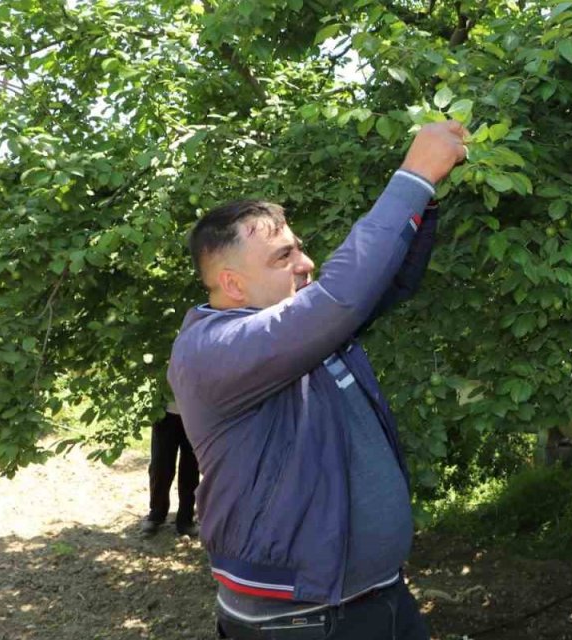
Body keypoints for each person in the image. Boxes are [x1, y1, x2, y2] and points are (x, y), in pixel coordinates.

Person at [167, 121, 468, 639]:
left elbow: (385, 281)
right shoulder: (212, 350)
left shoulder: (305, 331)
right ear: (233, 283)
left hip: (379, 598)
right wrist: (414, 176)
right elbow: (340, 297)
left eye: (298, 247)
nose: (306, 263)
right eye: (283, 257)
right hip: (299, 621)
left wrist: (424, 201)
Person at [139, 402, 199, 537]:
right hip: (164, 414)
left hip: (195, 414)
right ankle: (156, 515)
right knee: (160, 467)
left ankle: (185, 521)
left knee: (191, 469)